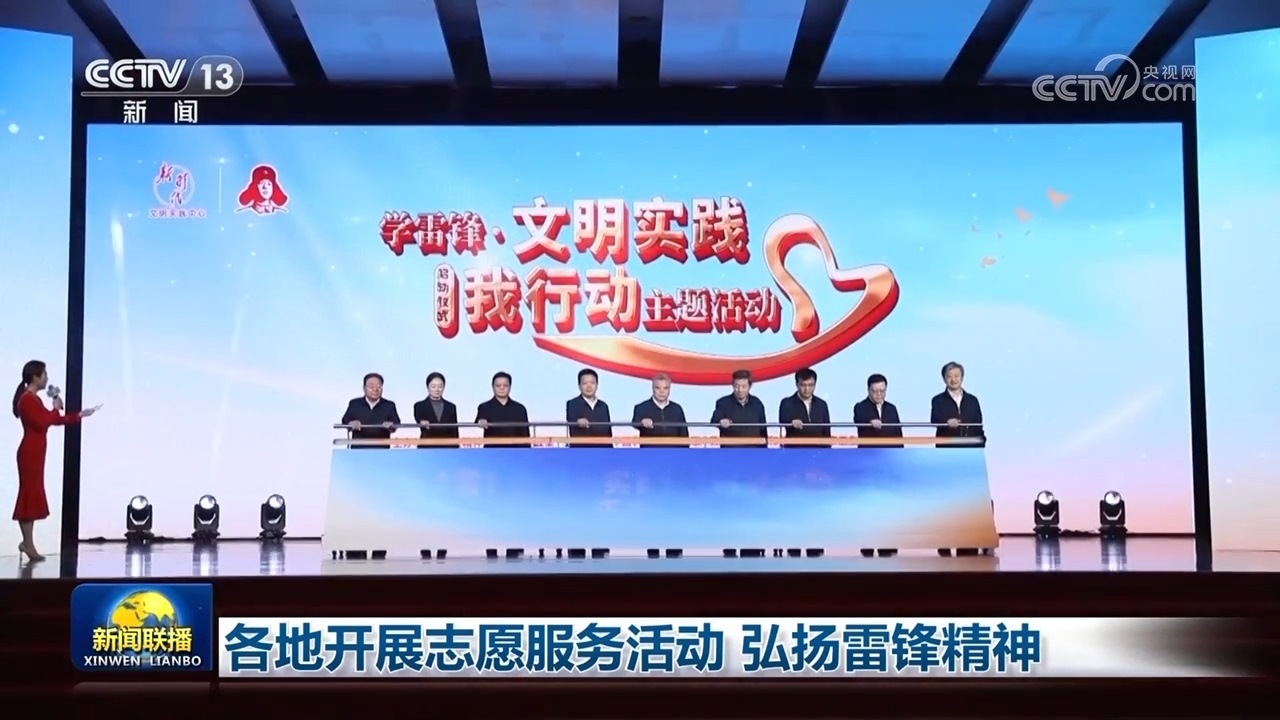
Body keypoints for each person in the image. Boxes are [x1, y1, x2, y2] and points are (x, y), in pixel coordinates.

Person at [13, 360, 99, 562]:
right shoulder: (27, 400)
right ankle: (28, 543)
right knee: (29, 494)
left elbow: (53, 420)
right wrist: (55, 409)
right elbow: (43, 422)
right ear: (35, 377)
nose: (47, 378)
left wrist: (78, 415)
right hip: (30, 453)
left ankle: (28, 543)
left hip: (36, 452)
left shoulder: (34, 399)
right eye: (44, 374)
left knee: (33, 493)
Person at [930, 362, 986, 448]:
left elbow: (978, 425)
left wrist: (981, 443)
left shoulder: (972, 400)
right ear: (944, 379)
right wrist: (947, 422)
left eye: (956, 376)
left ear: (962, 378)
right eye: (949, 376)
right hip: (947, 447)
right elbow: (934, 420)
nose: (953, 380)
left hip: (971, 448)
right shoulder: (938, 400)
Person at [340, 373, 401, 449]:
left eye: (379, 386)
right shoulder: (355, 404)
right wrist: (351, 424)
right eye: (371, 386)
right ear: (364, 388)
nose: (375, 389)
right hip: (358, 449)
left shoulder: (389, 405)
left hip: (382, 449)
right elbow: (345, 421)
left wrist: (391, 426)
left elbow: (396, 423)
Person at [711, 369, 768, 447]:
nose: (740, 390)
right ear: (732, 385)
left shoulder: (757, 403)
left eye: (743, 386)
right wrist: (721, 421)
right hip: (731, 450)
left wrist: (765, 450)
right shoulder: (723, 403)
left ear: (750, 386)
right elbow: (714, 420)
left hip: (754, 450)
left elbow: (763, 430)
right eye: (737, 386)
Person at [777, 368, 831, 448]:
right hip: (795, 450)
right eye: (803, 385)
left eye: (810, 385)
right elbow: (783, 420)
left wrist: (827, 451)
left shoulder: (822, 404)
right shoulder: (787, 403)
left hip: (818, 450)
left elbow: (826, 431)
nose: (807, 389)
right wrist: (791, 422)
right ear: (797, 385)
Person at [475, 371, 531, 448]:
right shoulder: (484, 407)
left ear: (510, 387)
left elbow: (525, 435)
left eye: (505, 385)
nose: (502, 388)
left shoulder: (520, 408)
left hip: (516, 451)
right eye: (498, 385)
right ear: (492, 387)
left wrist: (526, 452)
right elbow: (480, 420)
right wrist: (481, 421)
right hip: (492, 450)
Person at [631, 373, 689, 445]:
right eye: (658, 388)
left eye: (665, 388)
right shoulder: (641, 407)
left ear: (670, 389)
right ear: (652, 388)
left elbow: (684, 436)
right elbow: (634, 423)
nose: (662, 391)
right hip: (650, 451)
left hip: (673, 451)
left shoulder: (677, 409)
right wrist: (642, 422)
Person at [853, 373, 904, 448]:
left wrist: (901, 451)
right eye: (875, 391)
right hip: (869, 451)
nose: (879, 394)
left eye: (882, 391)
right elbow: (859, 419)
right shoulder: (860, 407)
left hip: (891, 451)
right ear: (868, 390)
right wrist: (870, 421)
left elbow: (898, 432)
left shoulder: (892, 408)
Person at [566, 368, 612, 445]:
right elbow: (571, 420)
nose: (589, 386)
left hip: (602, 449)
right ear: (579, 386)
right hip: (581, 449)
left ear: (597, 385)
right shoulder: (572, 404)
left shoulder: (604, 406)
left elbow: (608, 432)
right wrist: (578, 422)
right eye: (585, 383)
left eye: (592, 383)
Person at [412, 372, 459, 449]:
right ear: (427, 387)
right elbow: (419, 419)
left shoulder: (451, 407)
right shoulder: (419, 405)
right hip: (427, 446)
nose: (437, 389)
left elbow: (454, 430)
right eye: (433, 386)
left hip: (448, 447)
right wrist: (422, 422)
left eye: (440, 386)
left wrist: (456, 448)